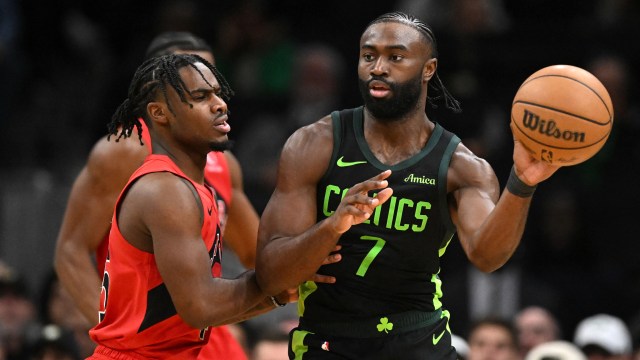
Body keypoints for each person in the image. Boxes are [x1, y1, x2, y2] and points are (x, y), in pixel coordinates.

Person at [255, 11, 560, 359]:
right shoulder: (313, 143)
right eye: (368, 56)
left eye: (395, 57)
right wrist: (331, 227)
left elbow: (487, 257)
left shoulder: (461, 166)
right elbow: (270, 276)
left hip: (416, 338)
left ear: (428, 69)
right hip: (328, 339)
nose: (378, 68)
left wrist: (521, 183)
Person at [53, 32, 260, 359]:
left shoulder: (224, 163)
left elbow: (255, 253)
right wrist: (115, 331)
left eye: (212, 78)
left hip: (201, 319)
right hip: (145, 336)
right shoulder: (123, 150)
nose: (212, 96)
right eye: (189, 81)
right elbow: (69, 250)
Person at [85, 53, 295, 359]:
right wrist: (274, 281)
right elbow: (201, 306)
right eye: (200, 97)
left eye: (218, 94)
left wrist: (275, 296)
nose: (220, 104)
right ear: (159, 113)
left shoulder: (193, 187)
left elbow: (183, 314)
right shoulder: (164, 190)